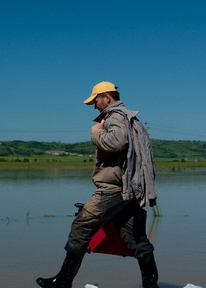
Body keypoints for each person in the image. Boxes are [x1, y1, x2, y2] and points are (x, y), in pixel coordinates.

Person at [36, 81, 159, 288]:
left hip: (113, 189)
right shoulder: (130, 118)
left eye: (96, 100)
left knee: (81, 226)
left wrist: (96, 133)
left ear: (107, 98)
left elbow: (117, 142)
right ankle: (151, 285)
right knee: (135, 239)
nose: (94, 105)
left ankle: (63, 282)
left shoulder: (114, 117)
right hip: (129, 189)